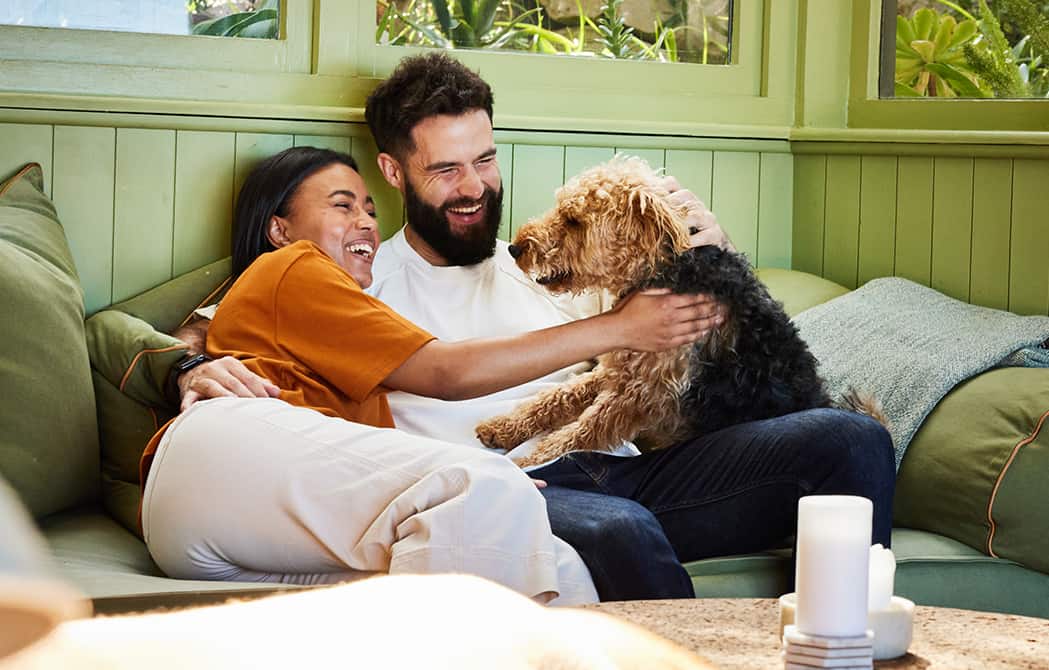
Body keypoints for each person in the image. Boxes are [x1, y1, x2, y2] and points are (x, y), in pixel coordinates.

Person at [177, 53, 896, 601]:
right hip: (501, 492)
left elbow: (706, 351)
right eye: (446, 170)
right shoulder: (355, 272)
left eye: (485, 160)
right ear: (394, 173)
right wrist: (186, 367)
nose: (472, 188)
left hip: (624, 470)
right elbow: (202, 329)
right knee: (621, 532)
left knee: (852, 439)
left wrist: (706, 252)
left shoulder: (557, 263)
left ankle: (851, 638)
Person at [140, 147, 713, 606]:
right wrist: (623, 326)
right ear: (280, 231)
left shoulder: (330, 314)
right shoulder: (294, 267)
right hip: (228, 463)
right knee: (484, 488)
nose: (365, 221)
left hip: (234, 528)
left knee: (564, 578)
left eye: (368, 208)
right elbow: (445, 370)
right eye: (342, 206)